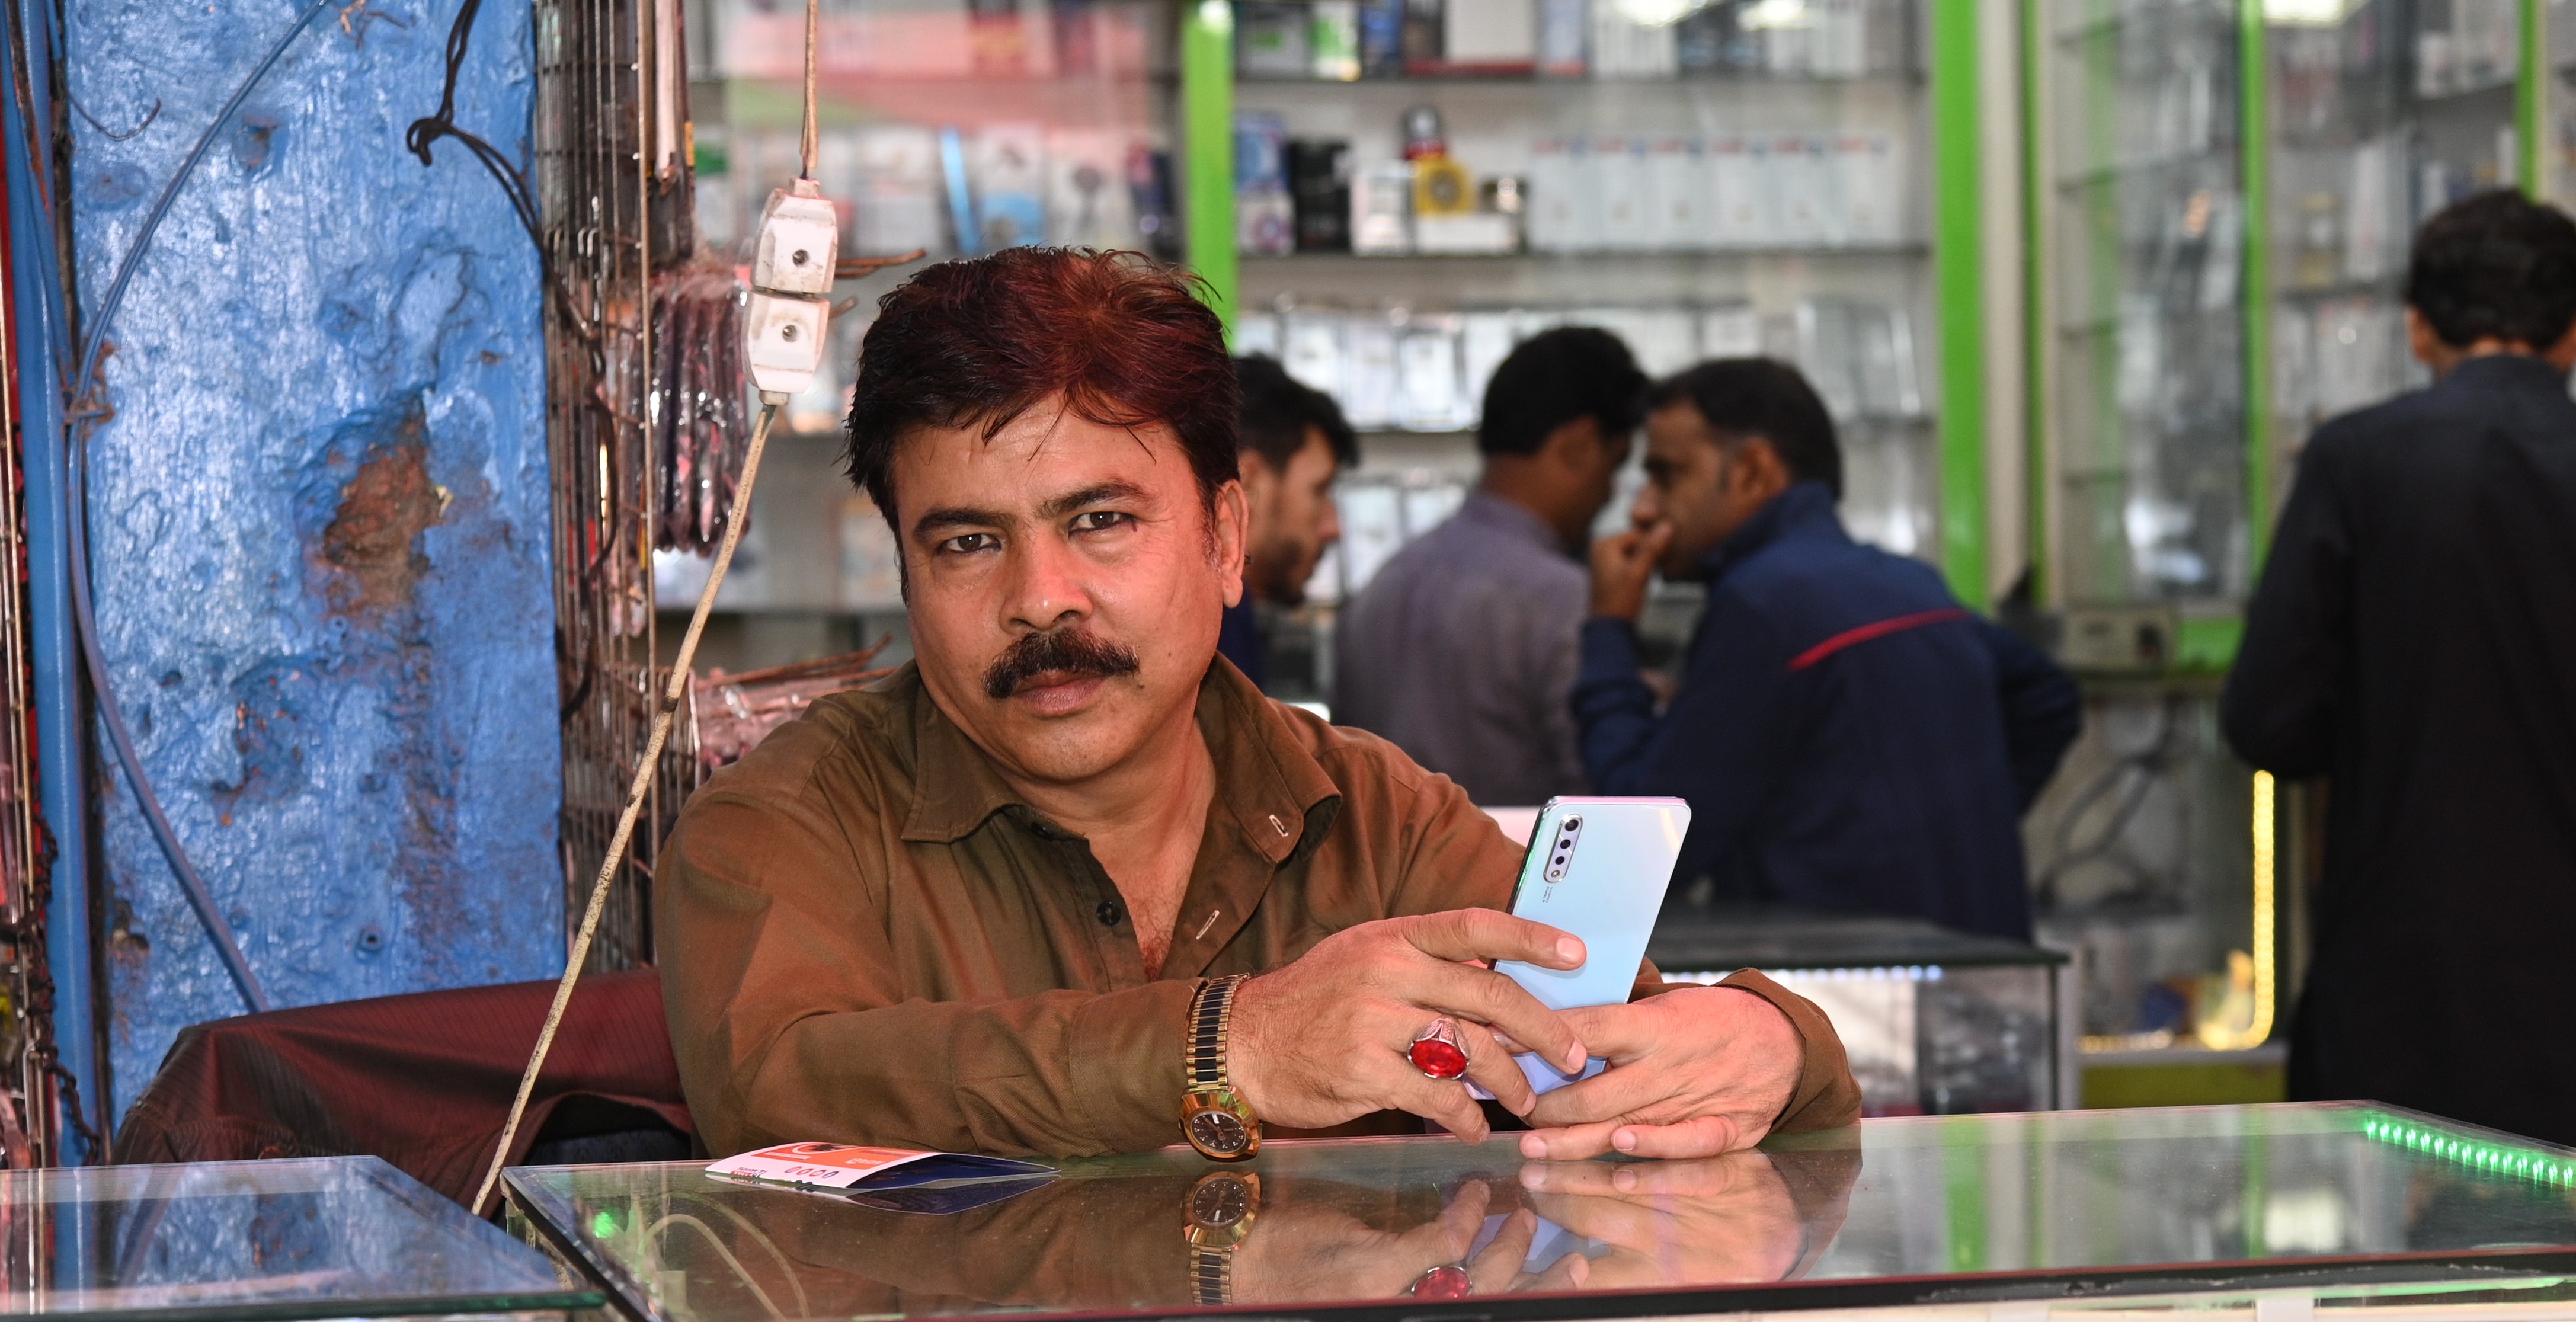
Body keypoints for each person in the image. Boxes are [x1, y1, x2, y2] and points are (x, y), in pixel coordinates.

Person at [654, 248, 1860, 1164]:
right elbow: (778, 1086)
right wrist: (1226, 1046)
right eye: (968, 542)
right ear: (906, 572)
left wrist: (1768, 1038)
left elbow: (1607, 1040)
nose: (1040, 599)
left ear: (1227, 540)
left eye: (1101, 521)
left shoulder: (1374, 814)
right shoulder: (782, 827)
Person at [2222, 190, 2576, 1167]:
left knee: (2388, 1311)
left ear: (2418, 327)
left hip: (2396, 998)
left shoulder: (2354, 462)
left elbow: (2266, 722)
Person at [1573, 358, 2081, 943]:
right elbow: (2047, 697)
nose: (1643, 508)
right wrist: (1958, 833)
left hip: (1849, 983)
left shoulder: (1763, 607)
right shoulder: (1909, 582)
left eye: (1668, 475)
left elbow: (1649, 847)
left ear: (1754, 472)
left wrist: (1609, 630)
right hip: (1974, 962)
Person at [1330, 325, 1649, 806]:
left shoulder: (1384, 584)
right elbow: (1599, 807)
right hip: (1520, 876)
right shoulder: (1564, 598)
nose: (1610, 494)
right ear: (1580, 444)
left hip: (1384, 877)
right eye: (1615, 465)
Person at [1214, 353, 1357, 690]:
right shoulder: (1211, 630)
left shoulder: (1228, 615)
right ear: (1247, 484)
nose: (1334, 528)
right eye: (1318, 491)